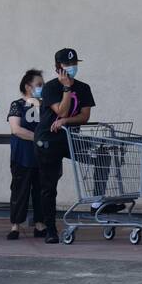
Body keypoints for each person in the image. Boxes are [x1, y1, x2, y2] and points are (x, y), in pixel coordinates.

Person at [34, 48, 95, 244]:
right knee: (49, 185)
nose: (72, 67)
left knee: (101, 156)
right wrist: (67, 88)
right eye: (67, 65)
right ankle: (50, 228)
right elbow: (61, 110)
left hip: (70, 139)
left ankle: (98, 202)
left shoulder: (84, 87)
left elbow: (84, 117)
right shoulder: (50, 87)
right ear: (58, 67)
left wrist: (66, 121)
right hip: (48, 140)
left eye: (74, 64)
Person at [6, 69, 46, 240]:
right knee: (19, 191)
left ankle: (40, 224)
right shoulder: (17, 105)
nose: (42, 88)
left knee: (42, 191)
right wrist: (38, 139)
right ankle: (15, 226)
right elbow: (16, 129)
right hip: (22, 156)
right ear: (28, 86)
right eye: (39, 85)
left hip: (42, 157)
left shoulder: (46, 105)